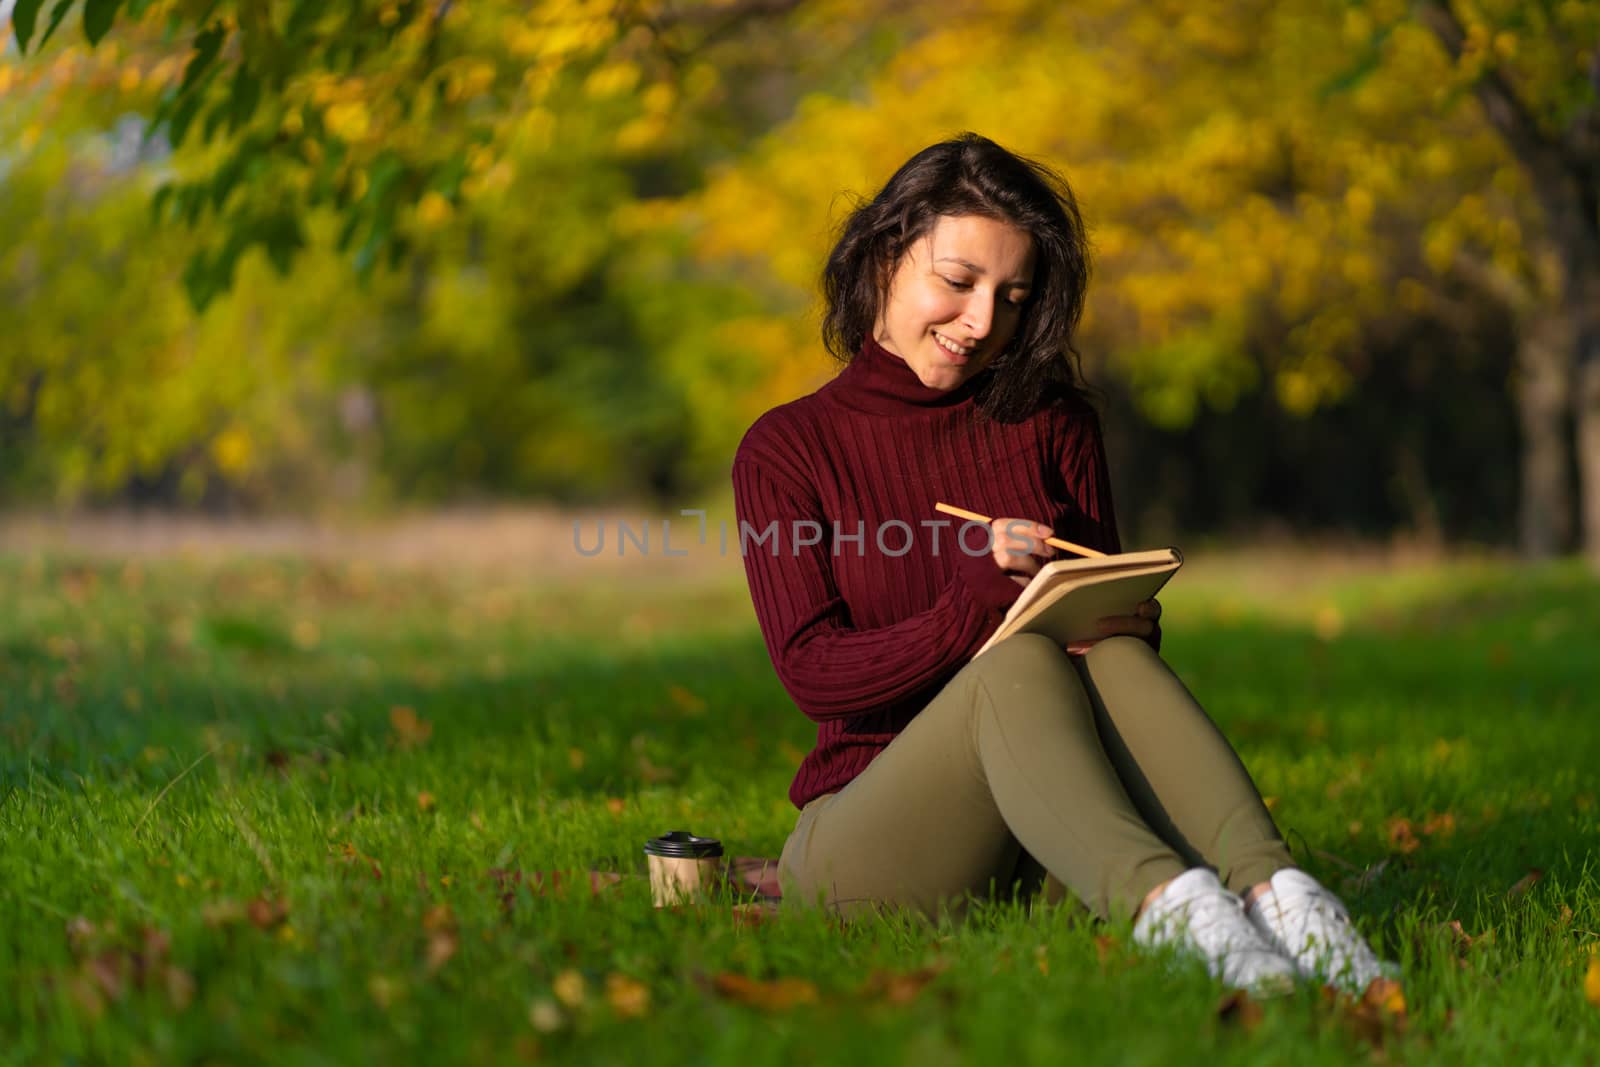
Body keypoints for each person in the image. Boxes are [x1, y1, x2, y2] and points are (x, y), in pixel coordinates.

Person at [730, 133, 1394, 994]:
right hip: (871, 849)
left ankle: (1285, 898)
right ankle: (1178, 913)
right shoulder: (787, 450)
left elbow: (1105, 663)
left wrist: (1119, 617)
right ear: (885, 256)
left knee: (1102, 652)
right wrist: (969, 605)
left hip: (1044, 840)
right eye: (958, 282)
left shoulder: (1051, 423)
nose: (982, 323)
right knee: (1013, 662)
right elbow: (814, 676)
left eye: (1012, 296)